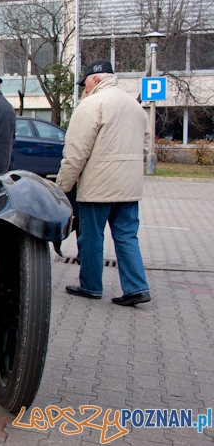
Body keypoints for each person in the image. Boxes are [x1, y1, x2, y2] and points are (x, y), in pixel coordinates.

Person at [56, 60, 151, 306]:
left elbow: (76, 151)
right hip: (129, 187)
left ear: (96, 79)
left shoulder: (91, 104)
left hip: (98, 187)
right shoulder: (135, 106)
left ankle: (90, 286)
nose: (83, 88)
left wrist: (62, 186)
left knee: (91, 236)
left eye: (85, 83)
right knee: (127, 236)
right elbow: (147, 144)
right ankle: (136, 288)